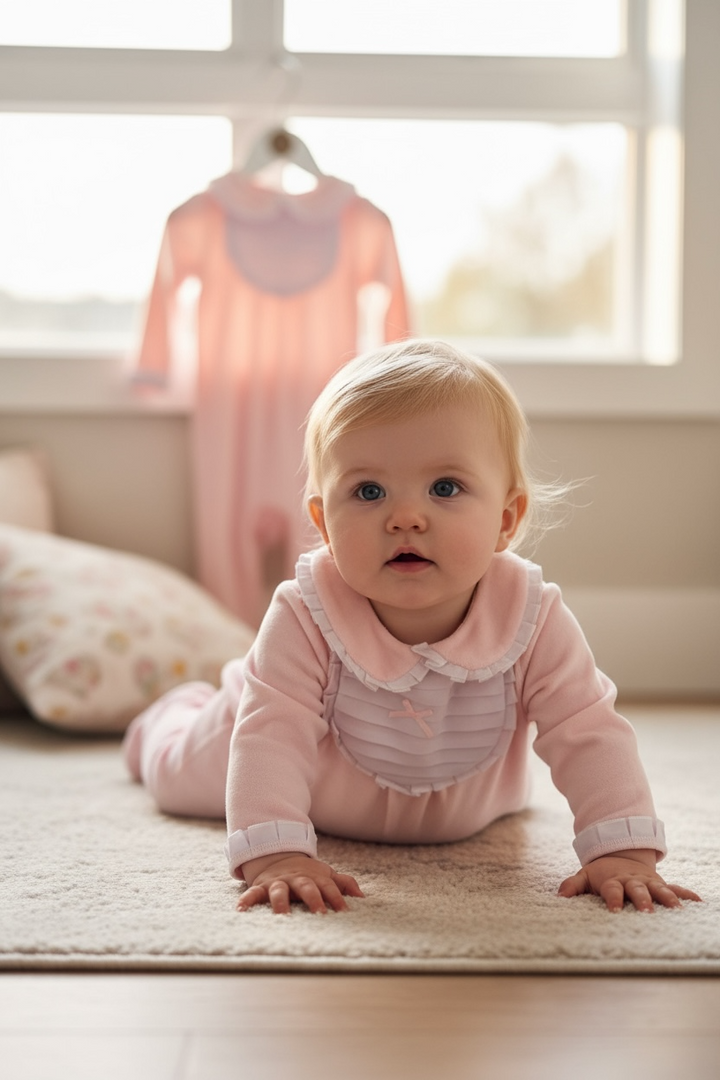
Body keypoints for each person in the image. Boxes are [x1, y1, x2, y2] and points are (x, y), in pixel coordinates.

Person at [123, 339, 701, 917]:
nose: (405, 517)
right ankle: (168, 720)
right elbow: (269, 735)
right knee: (178, 777)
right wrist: (277, 855)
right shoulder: (304, 613)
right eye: (368, 492)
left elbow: (587, 728)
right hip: (264, 745)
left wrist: (623, 850)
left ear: (506, 519)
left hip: (468, 804)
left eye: (444, 488)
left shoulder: (532, 617)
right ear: (324, 522)